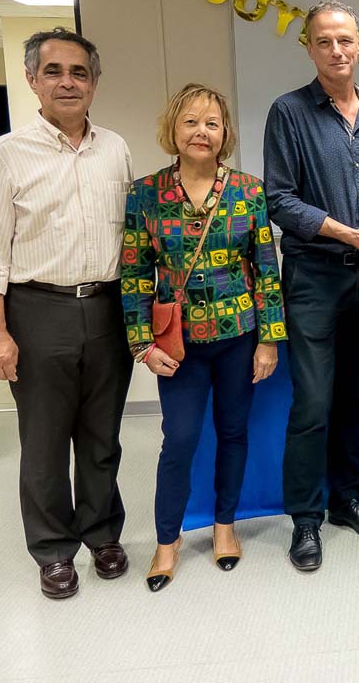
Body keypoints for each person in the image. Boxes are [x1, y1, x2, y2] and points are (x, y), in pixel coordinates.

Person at [0, 28, 133, 599]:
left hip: (107, 306)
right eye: (55, 71)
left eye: (80, 72)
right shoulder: (5, 155)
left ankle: (102, 532)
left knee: (101, 436)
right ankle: (53, 548)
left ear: (94, 82)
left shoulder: (115, 148)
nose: (68, 82)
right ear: (34, 80)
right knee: (43, 439)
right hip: (37, 308)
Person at [122, 84, 286, 590]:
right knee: (181, 440)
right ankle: (167, 541)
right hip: (177, 345)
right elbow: (133, 275)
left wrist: (269, 339)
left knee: (234, 433)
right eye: (191, 121)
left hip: (238, 335)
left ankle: (224, 528)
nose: (201, 131)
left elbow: (266, 269)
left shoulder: (247, 190)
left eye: (212, 123)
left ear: (225, 133)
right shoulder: (145, 193)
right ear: (173, 129)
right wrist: (141, 345)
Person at [264, 0, 359, 572]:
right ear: (309, 48)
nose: (337, 50)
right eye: (324, 41)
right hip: (315, 278)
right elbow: (280, 200)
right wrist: (345, 233)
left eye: (345, 40)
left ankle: (347, 500)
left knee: (355, 397)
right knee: (314, 402)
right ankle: (305, 518)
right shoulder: (289, 112)